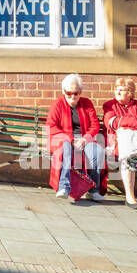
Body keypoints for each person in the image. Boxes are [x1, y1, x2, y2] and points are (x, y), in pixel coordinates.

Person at [102, 77, 137, 209]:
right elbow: (111, 122)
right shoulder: (109, 105)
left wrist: (125, 123)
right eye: (116, 89)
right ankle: (130, 196)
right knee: (127, 157)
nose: (118, 92)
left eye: (122, 90)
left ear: (130, 93)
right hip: (119, 143)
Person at [47, 73, 106, 202]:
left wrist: (85, 139)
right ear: (63, 91)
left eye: (76, 93)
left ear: (80, 92)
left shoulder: (87, 103)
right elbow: (51, 126)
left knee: (98, 152)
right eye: (69, 93)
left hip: (84, 139)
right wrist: (71, 139)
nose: (73, 96)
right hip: (63, 139)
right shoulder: (57, 104)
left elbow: (95, 125)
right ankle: (64, 187)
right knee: (66, 146)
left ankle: (93, 190)